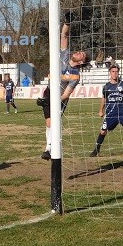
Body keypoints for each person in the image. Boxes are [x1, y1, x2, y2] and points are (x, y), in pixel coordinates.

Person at [41, 16, 88, 160]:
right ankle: (49, 147)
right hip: (49, 92)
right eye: (79, 51)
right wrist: (67, 22)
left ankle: (49, 149)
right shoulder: (64, 54)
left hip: (60, 98)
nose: (79, 52)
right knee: (48, 122)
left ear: (81, 62)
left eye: (82, 54)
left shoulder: (75, 75)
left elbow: (67, 94)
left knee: (53, 122)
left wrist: (55, 101)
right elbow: (64, 35)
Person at [89, 65, 123, 159]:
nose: (115, 73)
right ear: (110, 73)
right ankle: (96, 150)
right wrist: (101, 110)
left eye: (116, 71)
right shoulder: (106, 86)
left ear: (118, 72)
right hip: (111, 113)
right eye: (113, 71)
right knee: (103, 131)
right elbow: (104, 98)